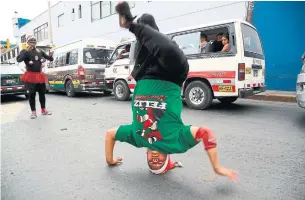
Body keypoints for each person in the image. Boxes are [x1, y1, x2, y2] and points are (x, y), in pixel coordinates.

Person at [105, 1, 237, 181]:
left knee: (146, 26)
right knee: (168, 50)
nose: (155, 160)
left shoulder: (137, 138)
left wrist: (110, 160)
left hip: (144, 75)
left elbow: (110, 134)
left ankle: (138, 25)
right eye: (160, 163)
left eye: (152, 163)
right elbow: (205, 133)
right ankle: (132, 25)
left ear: (146, 157)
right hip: (172, 75)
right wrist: (217, 167)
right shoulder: (176, 142)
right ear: (168, 156)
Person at [17, 35, 54, 119]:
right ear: (27, 42)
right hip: (30, 76)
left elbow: (50, 59)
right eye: (31, 41)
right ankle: (33, 112)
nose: (33, 43)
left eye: (34, 41)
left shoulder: (40, 51)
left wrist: (51, 55)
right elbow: (19, 60)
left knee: (42, 94)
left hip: (39, 76)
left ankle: (43, 110)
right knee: (32, 94)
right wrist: (26, 51)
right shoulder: (24, 51)